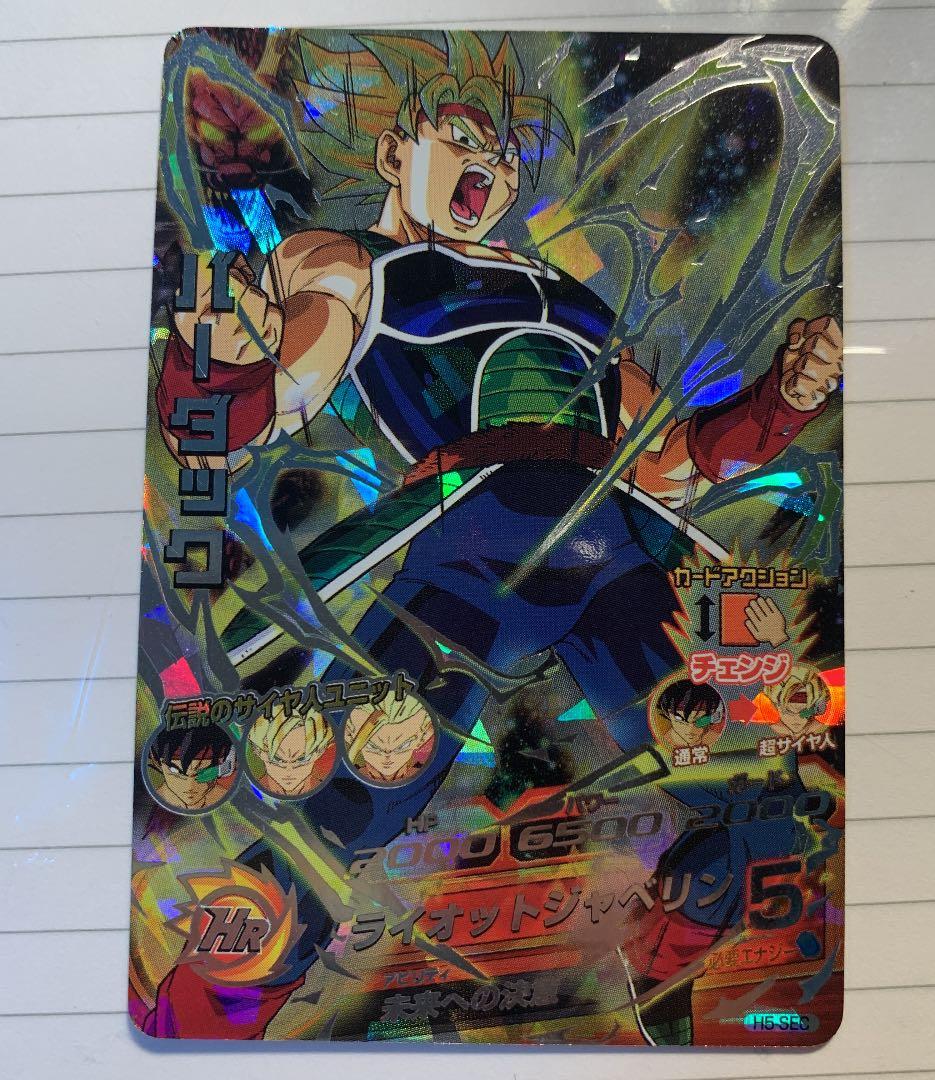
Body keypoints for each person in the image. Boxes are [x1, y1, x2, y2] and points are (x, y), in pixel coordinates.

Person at [141, 30, 842, 1039]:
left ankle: (659, 974)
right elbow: (275, 396)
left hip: (610, 552)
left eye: (507, 151)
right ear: (396, 153)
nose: (494, 165)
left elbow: (671, 463)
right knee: (345, 814)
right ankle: (200, 1016)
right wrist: (215, 366)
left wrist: (783, 400)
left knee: (756, 791)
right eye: (466, 137)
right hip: (471, 549)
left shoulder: (576, 302)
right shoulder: (351, 265)